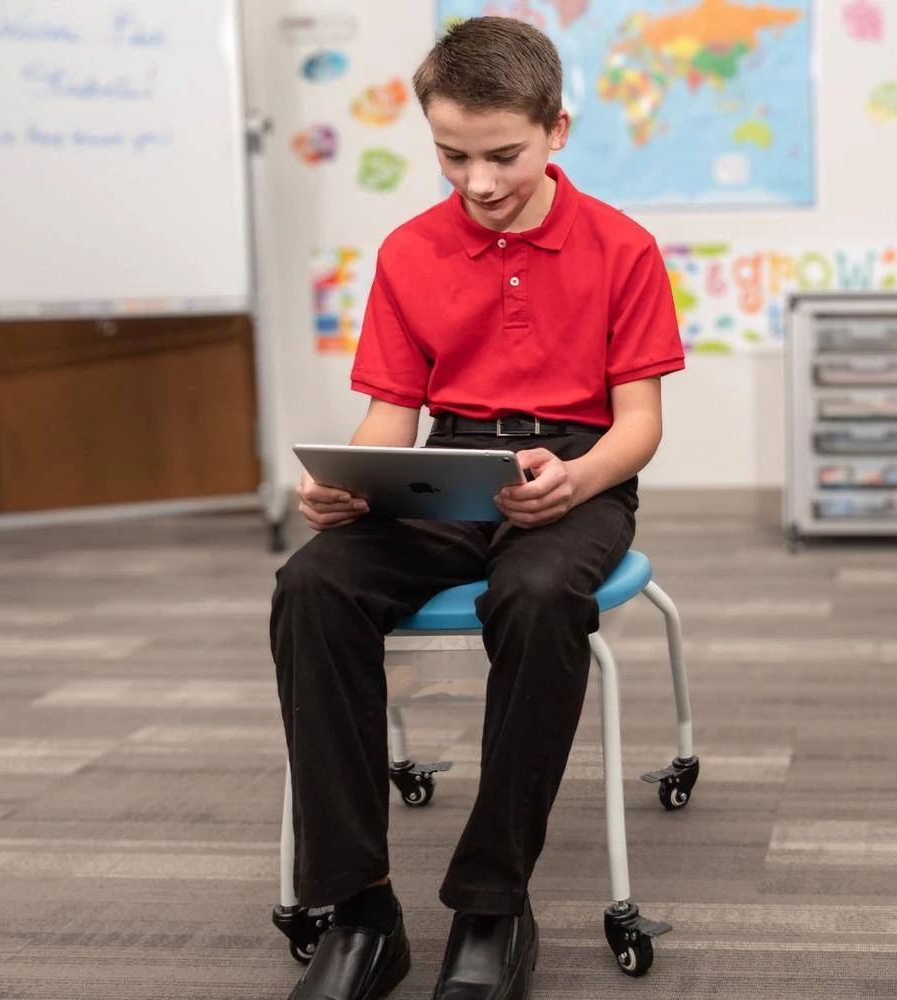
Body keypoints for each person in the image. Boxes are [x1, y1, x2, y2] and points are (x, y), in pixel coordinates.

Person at [270, 15, 684, 1000]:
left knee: (537, 599)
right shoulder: (409, 252)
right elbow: (389, 414)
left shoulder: (623, 248)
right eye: (451, 155)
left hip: (579, 469)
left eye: (502, 154)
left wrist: (575, 482)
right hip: (444, 466)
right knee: (311, 585)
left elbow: (640, 424)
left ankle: (492, 902)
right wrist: (345, 484)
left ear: (557, 131)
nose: (479, 181)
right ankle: (361, 913)